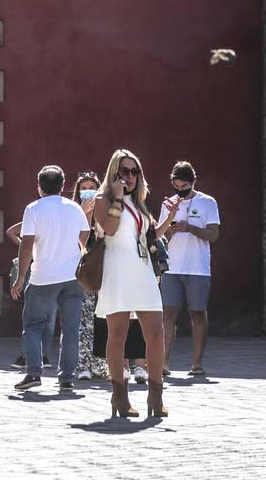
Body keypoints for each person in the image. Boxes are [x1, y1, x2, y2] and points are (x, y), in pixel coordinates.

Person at [93, 149, 167, 420]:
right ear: (114, 173)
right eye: (124, 171)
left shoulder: (140, 203)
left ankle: (156, 394)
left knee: (156, 333)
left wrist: (168, 219)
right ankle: (119, 394)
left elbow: (148, 237)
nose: (130, 176)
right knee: (118, 334)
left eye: (135, 171)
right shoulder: (104, 200)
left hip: (143, 269)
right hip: (118, 270)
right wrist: (117, 200)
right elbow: (109, 230)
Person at [10, 165, 88, 392]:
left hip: (43, 277)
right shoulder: (75, 209)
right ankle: (66, 377)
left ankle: (34, 372)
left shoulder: (33, 209)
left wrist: (20, 277)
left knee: (33, 325)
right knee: (71, 328)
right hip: (72, 277)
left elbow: (26, 245)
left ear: (39, 186)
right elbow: (85, 235)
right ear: (63, 186)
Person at [156, 160, 220, 377]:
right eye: (176, 186)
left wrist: (190, 228)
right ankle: (164, 363)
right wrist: (171, 229)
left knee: (198, 314)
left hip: (198, 267)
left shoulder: (207, 202)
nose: (180, 191)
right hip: (172, 267)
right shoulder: (168, 203)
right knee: (167, 313)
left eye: (184, 187)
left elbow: (213, 235)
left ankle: (196, 363)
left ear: (193, 182)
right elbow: (159, 235)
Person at [73, 171, 102, 379]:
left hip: (101, 270)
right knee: (81, 320)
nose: (87, 191)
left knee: (101, 319)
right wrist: (83, 214)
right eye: (83, 188)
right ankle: (82, 364)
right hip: (79, 272)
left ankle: (100, 364)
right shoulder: (72, 211)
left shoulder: (104, 210)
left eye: (91, 187)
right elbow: (74, 240)